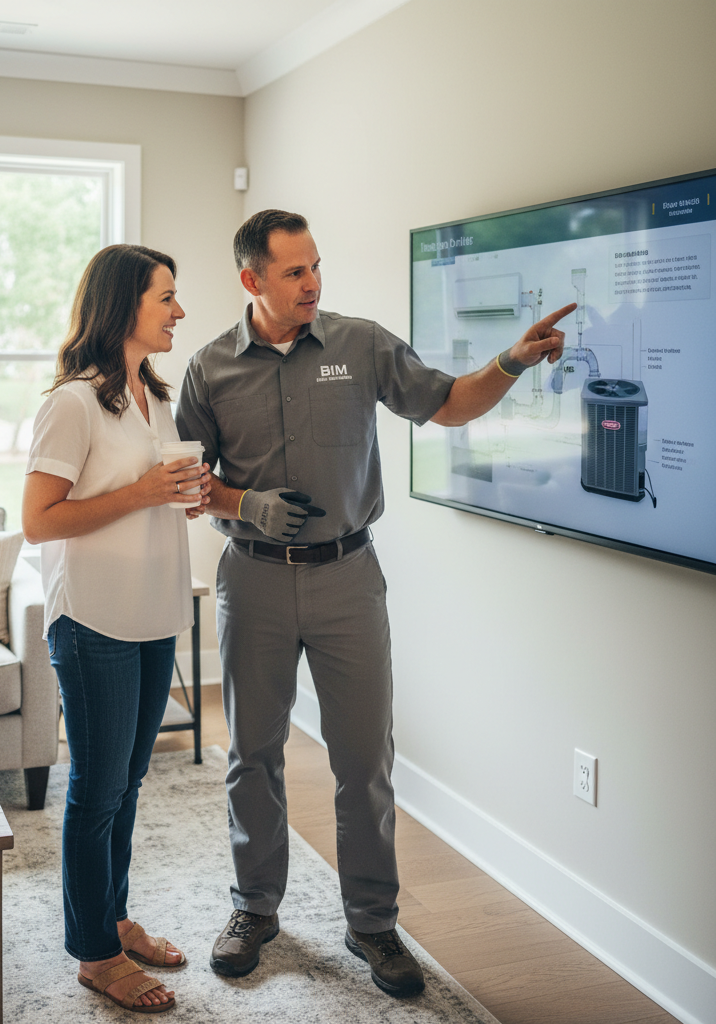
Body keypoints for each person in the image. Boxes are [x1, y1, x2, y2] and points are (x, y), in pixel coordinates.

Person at [176, 210, 574, 998]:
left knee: (364, 760)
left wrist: (512, 361)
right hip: (252, 577)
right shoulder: (209, 367)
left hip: (348, 580)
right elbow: (192, 480)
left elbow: (449, 404)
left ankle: (373, 924)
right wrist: (246, 504)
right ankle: (254, 909)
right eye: (293, 272)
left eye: (316, 266)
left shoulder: (361, 345)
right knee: (253, 753)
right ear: (252, 280)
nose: (312, 283)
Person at [23, 243, 211, 1014]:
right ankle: (95, 953)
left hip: (152, 611)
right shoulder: (72, 402)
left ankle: (115, 917)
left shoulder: (151, 396)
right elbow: (39, 521)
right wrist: (141, 493)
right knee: (96, 791)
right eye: (166, 296)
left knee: (127, 785)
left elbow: (147, 493)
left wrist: (185, 495)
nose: (179, 310)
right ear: (123, 304)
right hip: (93, 619)